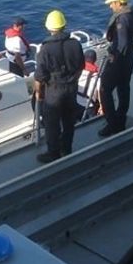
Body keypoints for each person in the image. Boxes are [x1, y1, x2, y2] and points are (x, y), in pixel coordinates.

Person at [33, 10, 85, 163]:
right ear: (64, 25)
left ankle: (53, 153)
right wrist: (73, 80)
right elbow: (81, 66)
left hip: (54, 90)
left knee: (52, 122)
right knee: (69, 120)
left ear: (49, 27)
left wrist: (39, 94)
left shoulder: (45, 49)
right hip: (71, 87)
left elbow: (39, 77)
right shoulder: (75, 44)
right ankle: (66, 148)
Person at [98, 0, 133, 137]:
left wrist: (113, 56)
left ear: (118, 2)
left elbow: (121, 43)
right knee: (124, 89)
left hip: (120, 60)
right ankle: (121, 120)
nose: (110, 6)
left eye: (112, 3)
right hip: (130, 56)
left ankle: (112, 123)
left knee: (104, 89)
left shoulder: (122, 19)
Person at [78, 49, 103, 120]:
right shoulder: (97, 76)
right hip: (89, 106)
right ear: (95, 60)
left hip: (76, 103)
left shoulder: (78, 71)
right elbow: (100, 93)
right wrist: (102, 106)